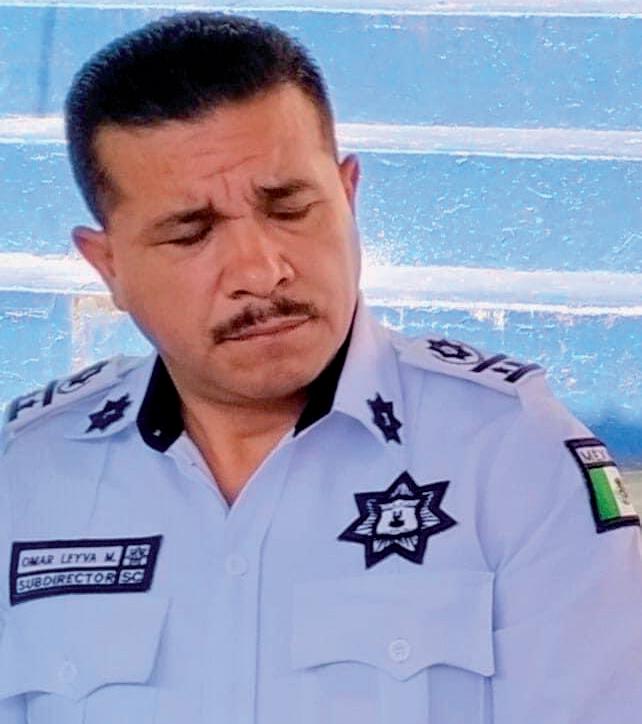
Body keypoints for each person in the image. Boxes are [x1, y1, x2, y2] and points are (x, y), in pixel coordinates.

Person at [1, 12, 641, 723]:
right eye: (191, 233)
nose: (260, 271)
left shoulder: (511, 456)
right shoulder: (24, 479)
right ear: (109, 266)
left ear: (348, 195)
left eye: (289, 208)